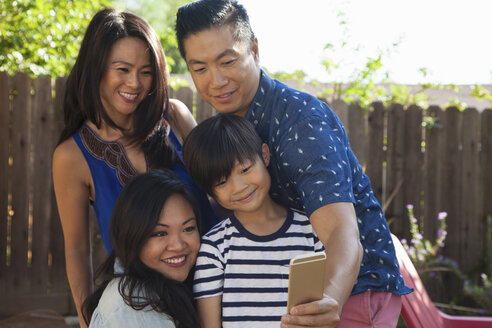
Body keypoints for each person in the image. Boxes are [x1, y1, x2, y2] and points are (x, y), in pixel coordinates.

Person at [175, 1, 412, 327]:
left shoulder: (301, 122)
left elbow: (341, 230)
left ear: (254, 49)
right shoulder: (231, 122)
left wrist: (330, 299)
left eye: (227, 61)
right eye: (199, 68)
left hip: (354, 288)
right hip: (294, 298)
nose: (215, 81)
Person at [52, 8, 218, 327]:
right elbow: (76, 250)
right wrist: (89, 321)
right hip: (145, 308)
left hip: (218, 287)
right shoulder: (71, 156)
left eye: (146, 71)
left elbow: (221, 188)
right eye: (123, 69)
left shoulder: (176, 116)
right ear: (96, 69)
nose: (135, 83)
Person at [182, 114, 325, 328]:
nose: (239, 187)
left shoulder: (312, 230)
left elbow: (324, 309)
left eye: (245, 169)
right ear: (209, 191)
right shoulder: (215, 248)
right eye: (222, 182)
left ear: (265, 155)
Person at [81, 169, 201, 328]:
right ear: (132, 237)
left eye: (188, 229)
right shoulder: (133, 306)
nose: (178, 245)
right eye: (160, 233)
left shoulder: (167, 288)